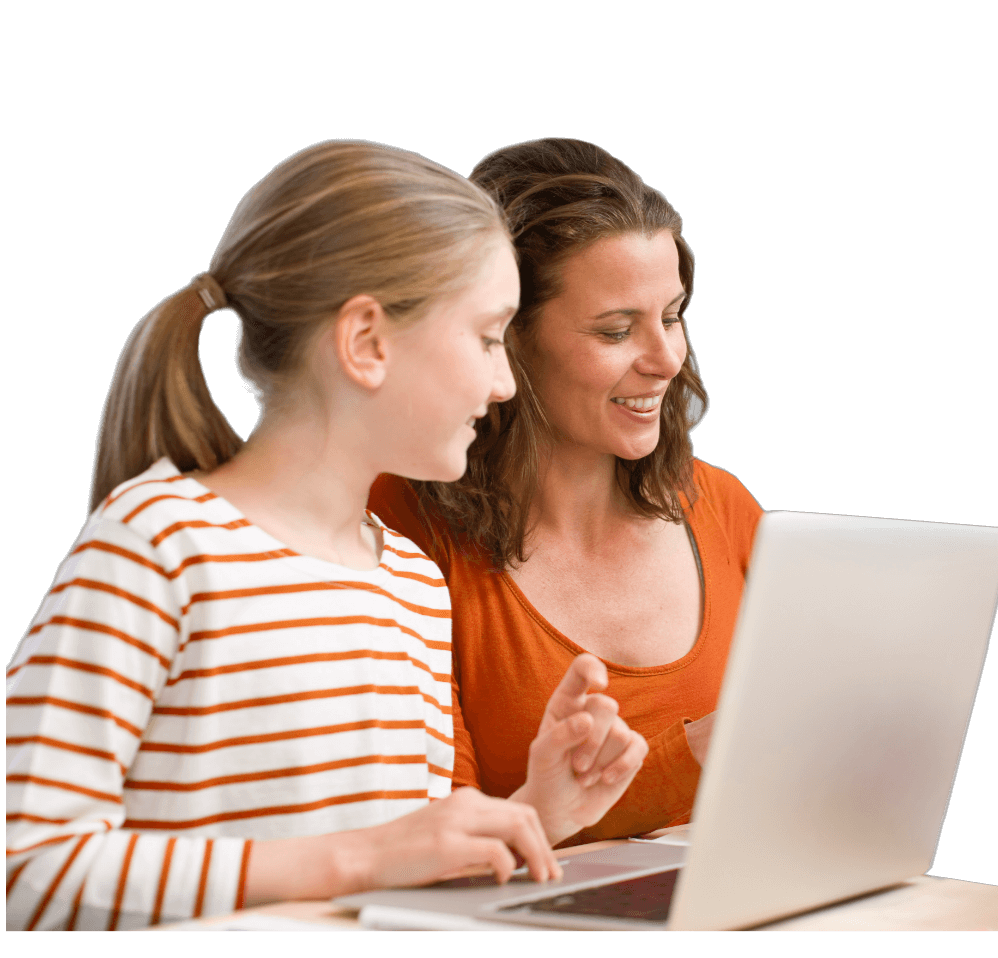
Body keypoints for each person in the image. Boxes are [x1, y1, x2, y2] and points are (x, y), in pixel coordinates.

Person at [6, 140, 647, 931]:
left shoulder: (409, 580)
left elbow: (391, 886)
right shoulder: (159, 545)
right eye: (486, 339)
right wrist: (357, 858)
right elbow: (26, 867)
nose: (505, 382)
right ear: (367, 343)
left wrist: (534, 815)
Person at [367, 138, 764, 845]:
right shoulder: (397, 525)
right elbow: (432, 844)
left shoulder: (724, 506)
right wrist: (696, 755)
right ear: (505, 338)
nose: (667, 360)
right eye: (616, 330)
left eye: (672, 316)